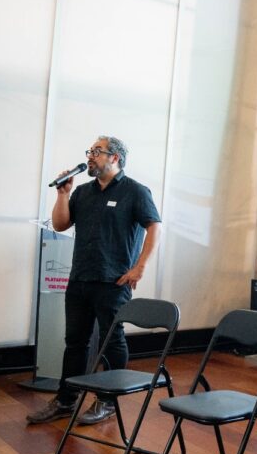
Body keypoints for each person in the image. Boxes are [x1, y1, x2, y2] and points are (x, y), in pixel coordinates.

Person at [27, 136, 161, 425]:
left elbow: (154, 226)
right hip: (80, 278)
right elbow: (61, 224)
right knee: (75, 342)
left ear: (115, 158)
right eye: (89, 151)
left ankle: (108, 401)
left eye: (97, 152)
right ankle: (66, 399)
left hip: (114, 281)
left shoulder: (135, 191)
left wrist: (140, 267)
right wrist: (63, 194)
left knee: (112, 340)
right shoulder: (83, 191)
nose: (90, 156)